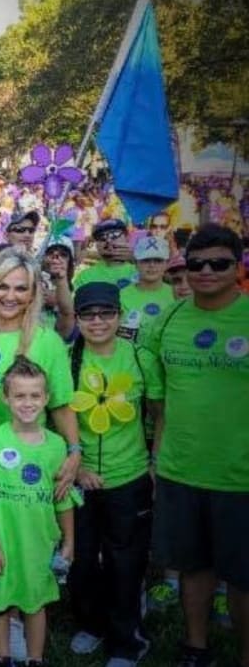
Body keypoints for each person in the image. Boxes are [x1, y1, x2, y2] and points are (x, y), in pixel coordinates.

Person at [143, 224, 249, 667]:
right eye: (196, 263)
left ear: (237, 267)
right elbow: (159, 402)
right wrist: (158, 454)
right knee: (192, 565)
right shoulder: (165, 321)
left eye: (219, 263)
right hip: (180, 468)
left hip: (240, 475)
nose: (206, 271)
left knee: (244, 576)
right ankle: (196, 646)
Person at [65, 283, 161, 666]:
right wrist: (79, 468)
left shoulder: (140, 358)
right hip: (80, 479)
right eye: (88, 314)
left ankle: (128, 642)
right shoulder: (68, 358)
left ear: (120, 315)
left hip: (129, 478)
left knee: (125, 564)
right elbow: (58, 417)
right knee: (82, 560)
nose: (98, 321)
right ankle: (92, 624)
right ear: (78, 318)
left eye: (106, 313)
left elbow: (159, 413)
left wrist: (154, 463)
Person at [0, 357, 76, 667]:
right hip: (1, 541)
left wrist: (69, 539)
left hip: (38, 543)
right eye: (19, 396)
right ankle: (2, 658)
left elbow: (63, 500)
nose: (27, 403)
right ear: (6, 398)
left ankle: (35, 659)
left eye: (35, 396)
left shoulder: (57, 446)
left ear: (46, 398)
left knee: (35, 603)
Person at [0, 248, 81, 498]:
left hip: (22, 467)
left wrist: (75, 452)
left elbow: (61, 406)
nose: (10, 296)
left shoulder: (48, 342)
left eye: (20, 289)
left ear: (32, 295)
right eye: (2, 286)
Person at [118, 235, 172, 342]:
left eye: (158, 260)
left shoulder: (177, 295)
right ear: (136, 264)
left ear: (167, 264)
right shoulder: (120, 296)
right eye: (146, 260)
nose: (152, 265)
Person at [75, 219, 136, 289]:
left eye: (114, 235)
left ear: (127, 238)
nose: (108, 240)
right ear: (97, 245)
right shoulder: (85, 276)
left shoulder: (142, 269)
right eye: (102, 237)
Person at [39, 238, 76, 342]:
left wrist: (56, 303)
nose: (56, 257)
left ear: (70, 263)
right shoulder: (29, 284)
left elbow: (69, 316)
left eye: (63, 254)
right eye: (50, 253)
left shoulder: (76, 290)